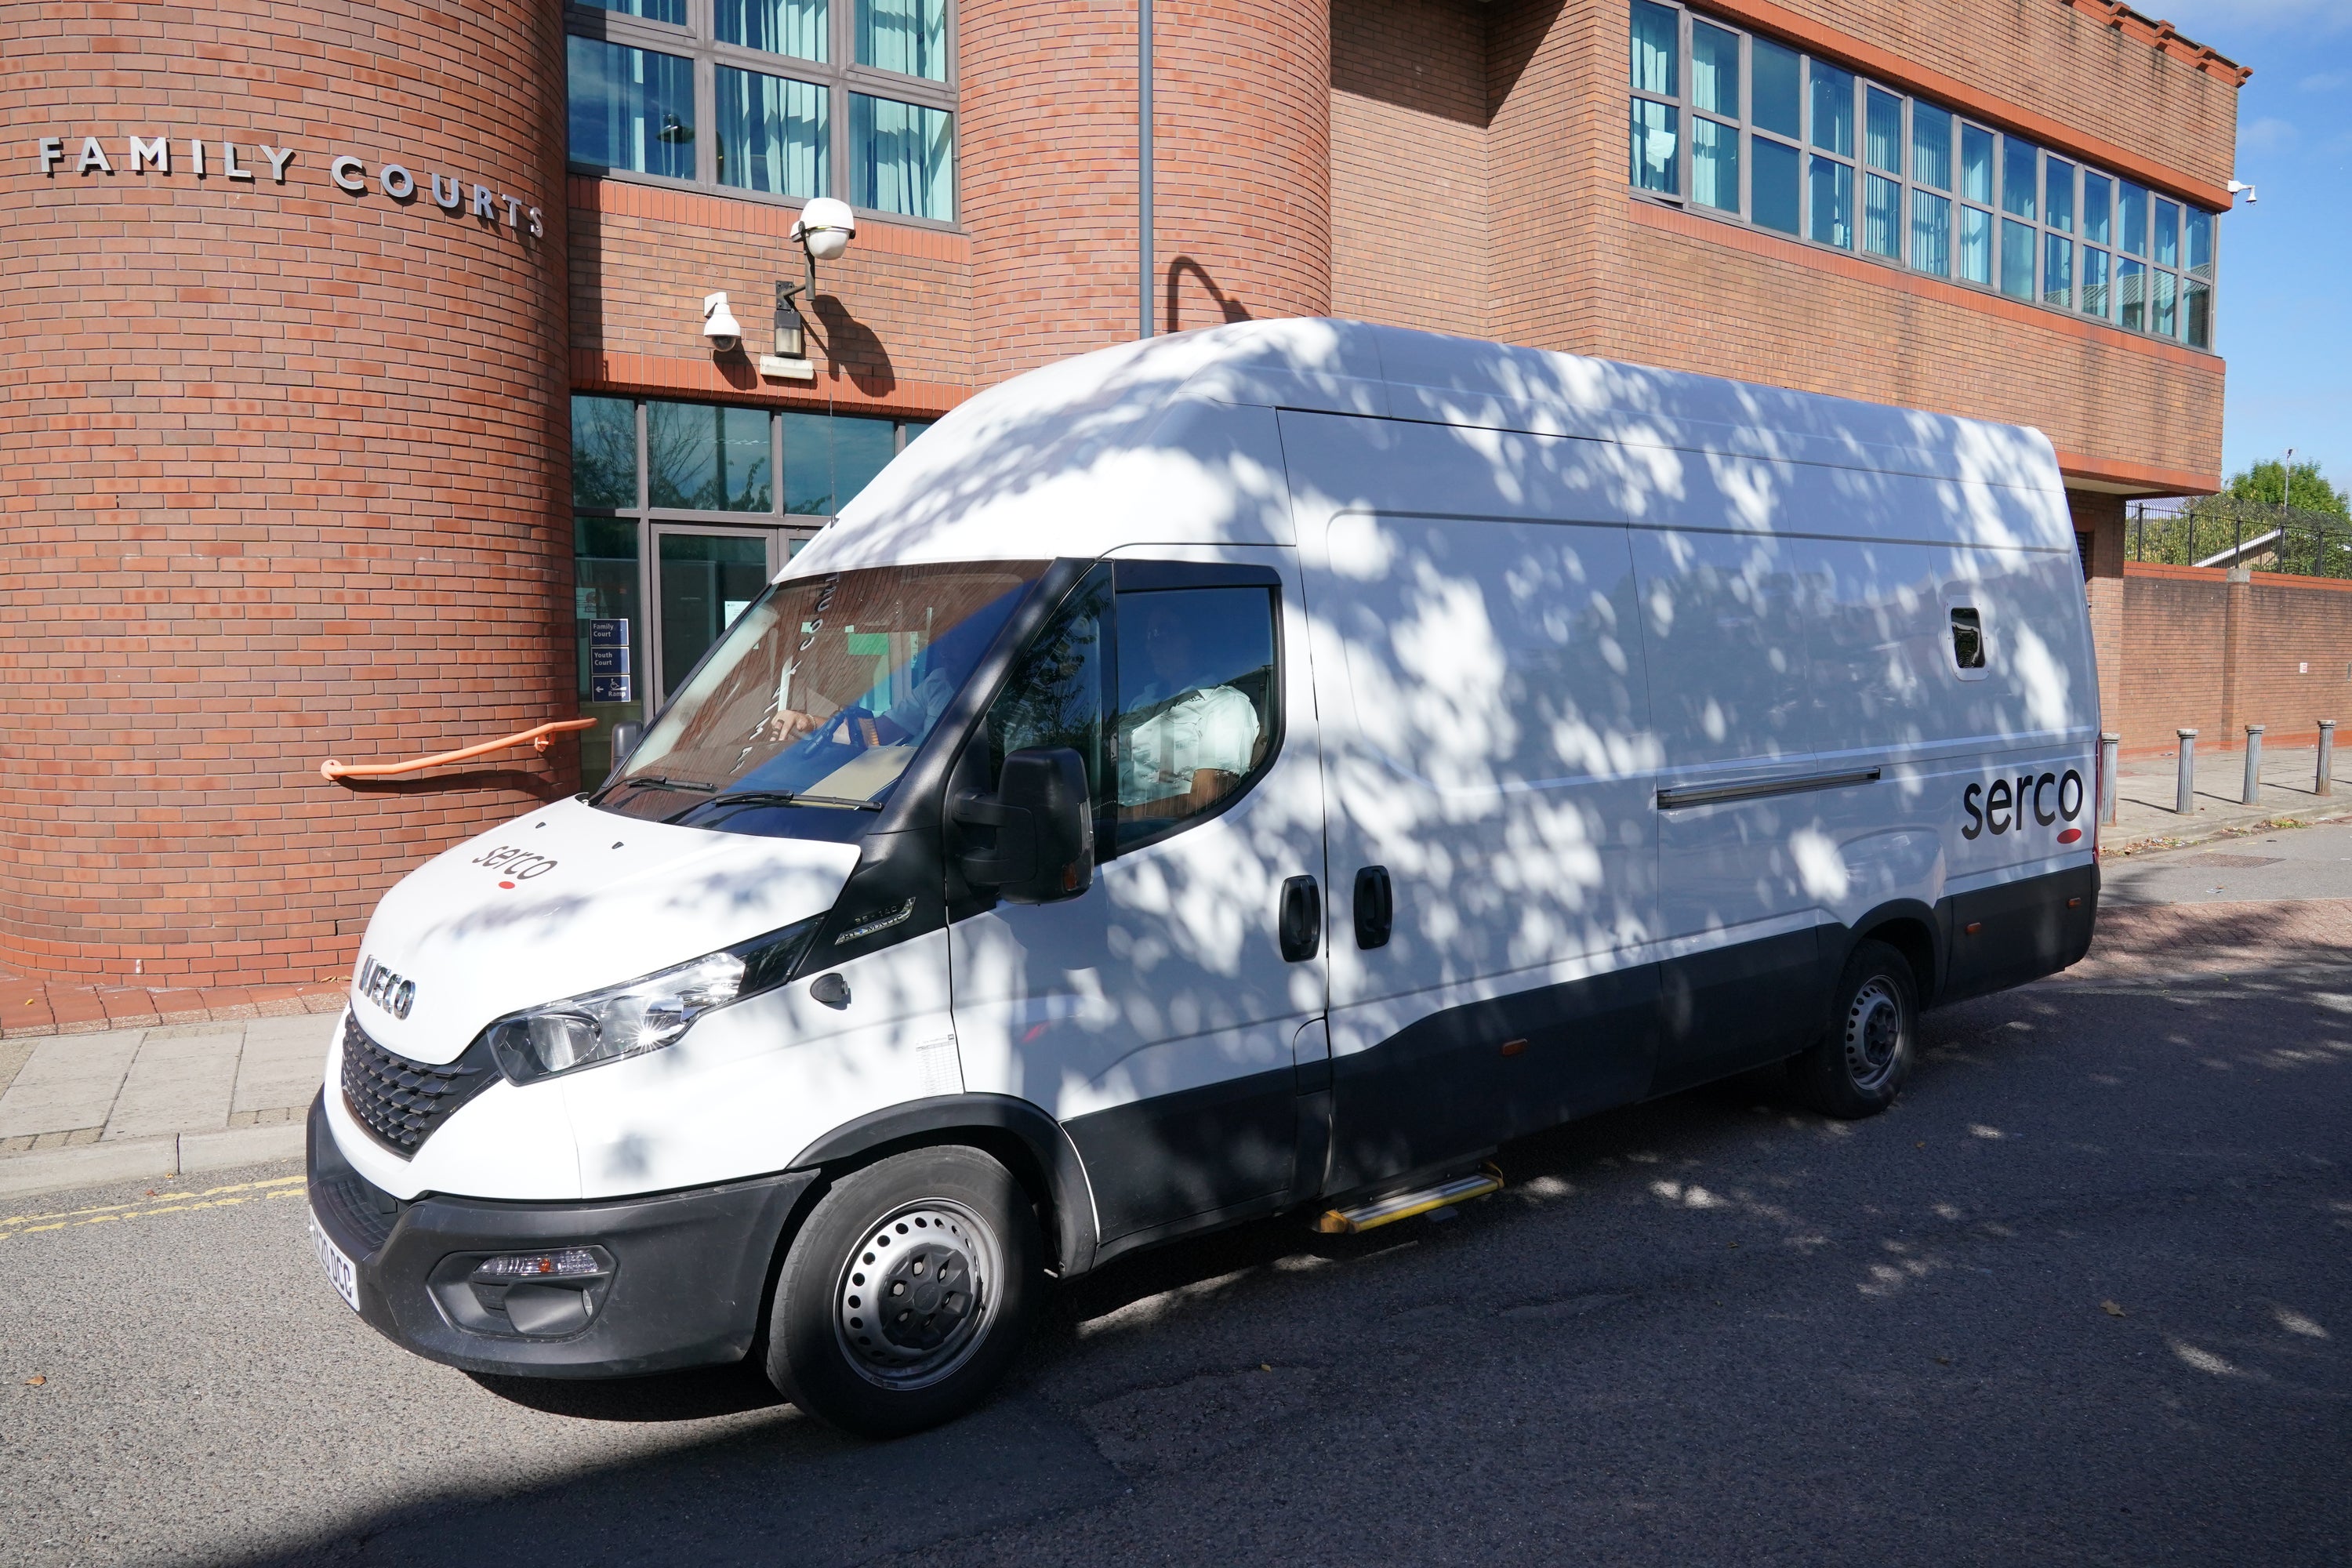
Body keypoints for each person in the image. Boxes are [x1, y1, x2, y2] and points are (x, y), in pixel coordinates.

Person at [1116, 599, 1262, 815]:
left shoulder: (1225, 704)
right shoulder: (1139, 703)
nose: (1151, 645)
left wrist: (1122, 819)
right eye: (1149, 636)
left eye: (1161, 632)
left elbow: (1206, 800)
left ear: (1193, 637)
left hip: (1165, 836)